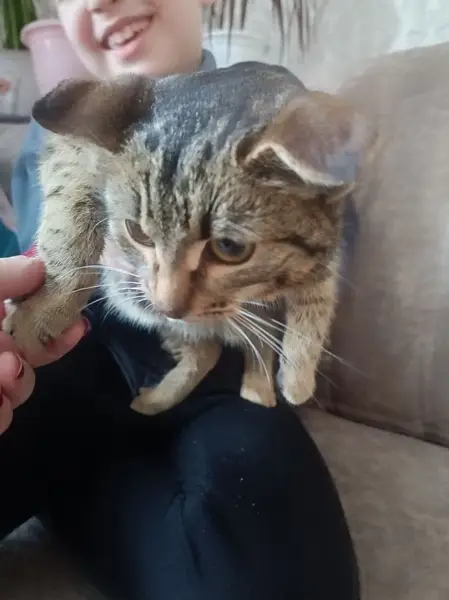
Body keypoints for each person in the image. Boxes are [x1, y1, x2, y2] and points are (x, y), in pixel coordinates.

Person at [1, 1, 360, 599]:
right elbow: (31, 267)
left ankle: (77, 484)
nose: (100, 1)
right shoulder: (63, 123)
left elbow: (316, 255)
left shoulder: (278, 117)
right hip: (63, 368)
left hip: (219, 388)